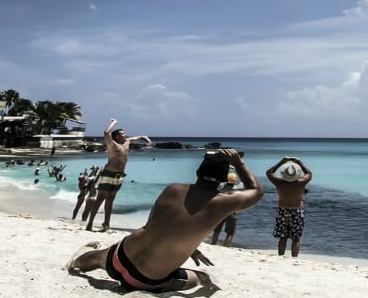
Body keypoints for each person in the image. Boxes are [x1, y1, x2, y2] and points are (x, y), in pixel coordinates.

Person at [65, 149, 262, 292]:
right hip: (147, 279)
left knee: (100, 257)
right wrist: (239, 163)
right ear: (222, 179)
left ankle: (77, 262)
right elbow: (256, 191)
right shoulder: (224, 203)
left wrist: (189, 246)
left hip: (120, 256)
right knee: (201, 278)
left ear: (198, 173)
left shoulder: (173, 189)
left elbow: (156, 227)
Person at [83, 118, 151, 231]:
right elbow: (106, 132)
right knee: (100, 199)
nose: (126, 135)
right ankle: (90, 223)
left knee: (110, 199)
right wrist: (114, 122)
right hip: (108, 174)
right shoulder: (112, 144)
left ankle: (106, 224)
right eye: (123, 133)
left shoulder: (127, 142)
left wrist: (145, 138)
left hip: (119, 175)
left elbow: (138, 137)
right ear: (117, 136)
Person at [266, 156, 313, 257]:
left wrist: (281, 162)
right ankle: (294, 258)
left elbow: (269, 172)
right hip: (297, 211)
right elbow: (309, 173)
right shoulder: (301, 183)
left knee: (283, 237)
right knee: (296, 238)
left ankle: (280, 256)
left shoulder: (279, 182)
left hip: (282, 210)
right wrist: (300, 163)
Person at [208, 171, 240, 247]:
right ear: (235, 181)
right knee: (230, 232)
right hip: (231, 212)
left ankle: (213, 244)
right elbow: (246, 184)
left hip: (220, 211)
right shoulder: (237, 189)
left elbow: (217, 184)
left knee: (216, 230)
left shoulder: (221, 187)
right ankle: (226, 246)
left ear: (226, 179)